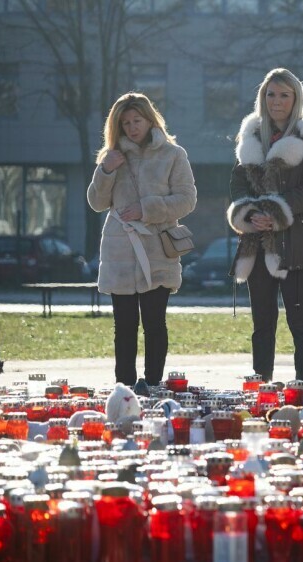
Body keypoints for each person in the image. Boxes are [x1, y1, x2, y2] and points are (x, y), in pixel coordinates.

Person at [227, 68, 303, 386]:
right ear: (263, 97)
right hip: (257, 241)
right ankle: (262, 381)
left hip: (298, 240)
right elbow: (237, 183)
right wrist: (250, 213)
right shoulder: (251, 134)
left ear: (296, 98)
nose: (277, 100)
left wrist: (276, 213)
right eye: (271, 94)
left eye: (285, 94)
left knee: (299, 318)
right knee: (262, 319)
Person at [87, 92, 196, 389]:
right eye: (126, 122)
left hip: (157, 248)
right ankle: (123, 386)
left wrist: (148, 209)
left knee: (154, 322)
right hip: (119, 249)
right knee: (123, 325)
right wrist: (106, 169)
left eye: (137, 120)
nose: (132, 127)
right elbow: (97, 202)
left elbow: (187, 200)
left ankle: (153, 382)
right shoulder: (112, 156)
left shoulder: (174, 154)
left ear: (150, 120)